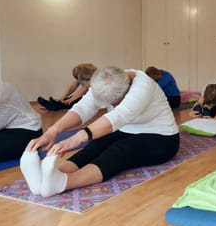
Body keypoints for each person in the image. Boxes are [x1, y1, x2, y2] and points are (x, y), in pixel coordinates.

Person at [21, 66, 180, 197]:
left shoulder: (143, 86)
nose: (113, 106)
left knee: (119, 151)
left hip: (162, 137)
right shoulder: (104, 81)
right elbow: (83, 109)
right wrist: (52, 131)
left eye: (115, 102)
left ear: (126, 91)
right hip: (126, 130)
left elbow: (118, 116)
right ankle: (49, 177)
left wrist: (76, 138)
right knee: (95, 146)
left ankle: (63, 183)